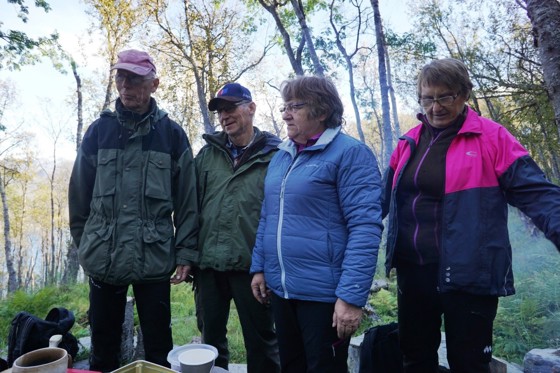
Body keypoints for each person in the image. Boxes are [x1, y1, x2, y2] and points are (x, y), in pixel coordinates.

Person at [381, 58, 560, 373]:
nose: (435, 107)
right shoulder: (407, 142)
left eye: (445, 96)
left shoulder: (491, 138)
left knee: (469, 364)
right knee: (415, 358)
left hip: (470, 272)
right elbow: (376, 203)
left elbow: (538, 194)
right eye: (428, 98)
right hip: (415, 271)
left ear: (464, 95)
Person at [68, 49, 198, 371]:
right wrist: (87, 245)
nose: (125, 85)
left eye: (135, 79)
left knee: (159, 349)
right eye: (120, 77)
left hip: (153, 259)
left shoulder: (172, 134)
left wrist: (185, 253)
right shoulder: (99, 131)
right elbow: (79, 194)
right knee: (103, 349)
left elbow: (187, 201)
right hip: (104, 259)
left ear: (154, 84)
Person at [250, 75, 383, 373]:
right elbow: (268, 216)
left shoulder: (350, 154)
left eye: (295, 106)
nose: (285, 114)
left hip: (325, 297)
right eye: (285, 106)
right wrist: (259, 267)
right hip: (282, 290)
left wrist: (350, 297)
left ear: (322, 111)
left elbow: (365, 228)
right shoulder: (282, 157)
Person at [194, 82, 281, 372]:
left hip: (252, 267)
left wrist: (268, 265)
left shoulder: (276, 156)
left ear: (251, 108)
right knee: (210, 343)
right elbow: (190, 207)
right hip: (208, 265)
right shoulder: (207, 155)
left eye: (230, 108)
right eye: (220, 111)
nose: (224, 116)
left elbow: (281, 214)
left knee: (262, 341)